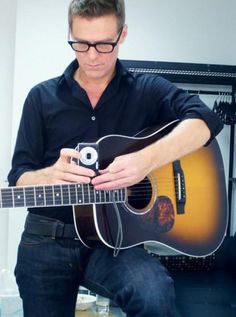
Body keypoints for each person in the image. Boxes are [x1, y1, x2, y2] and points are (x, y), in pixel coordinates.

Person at [8, 0, 223, 316]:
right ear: (70, 33)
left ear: (122, 35)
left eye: (104, 44)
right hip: (47, 239)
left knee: (154, 294)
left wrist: (146, 161)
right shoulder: (41, 98)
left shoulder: (146, 90)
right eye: (80, 43)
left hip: (116, 243)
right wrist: (47, 175)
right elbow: (19, 176)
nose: (92, 55)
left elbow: (206, 119)